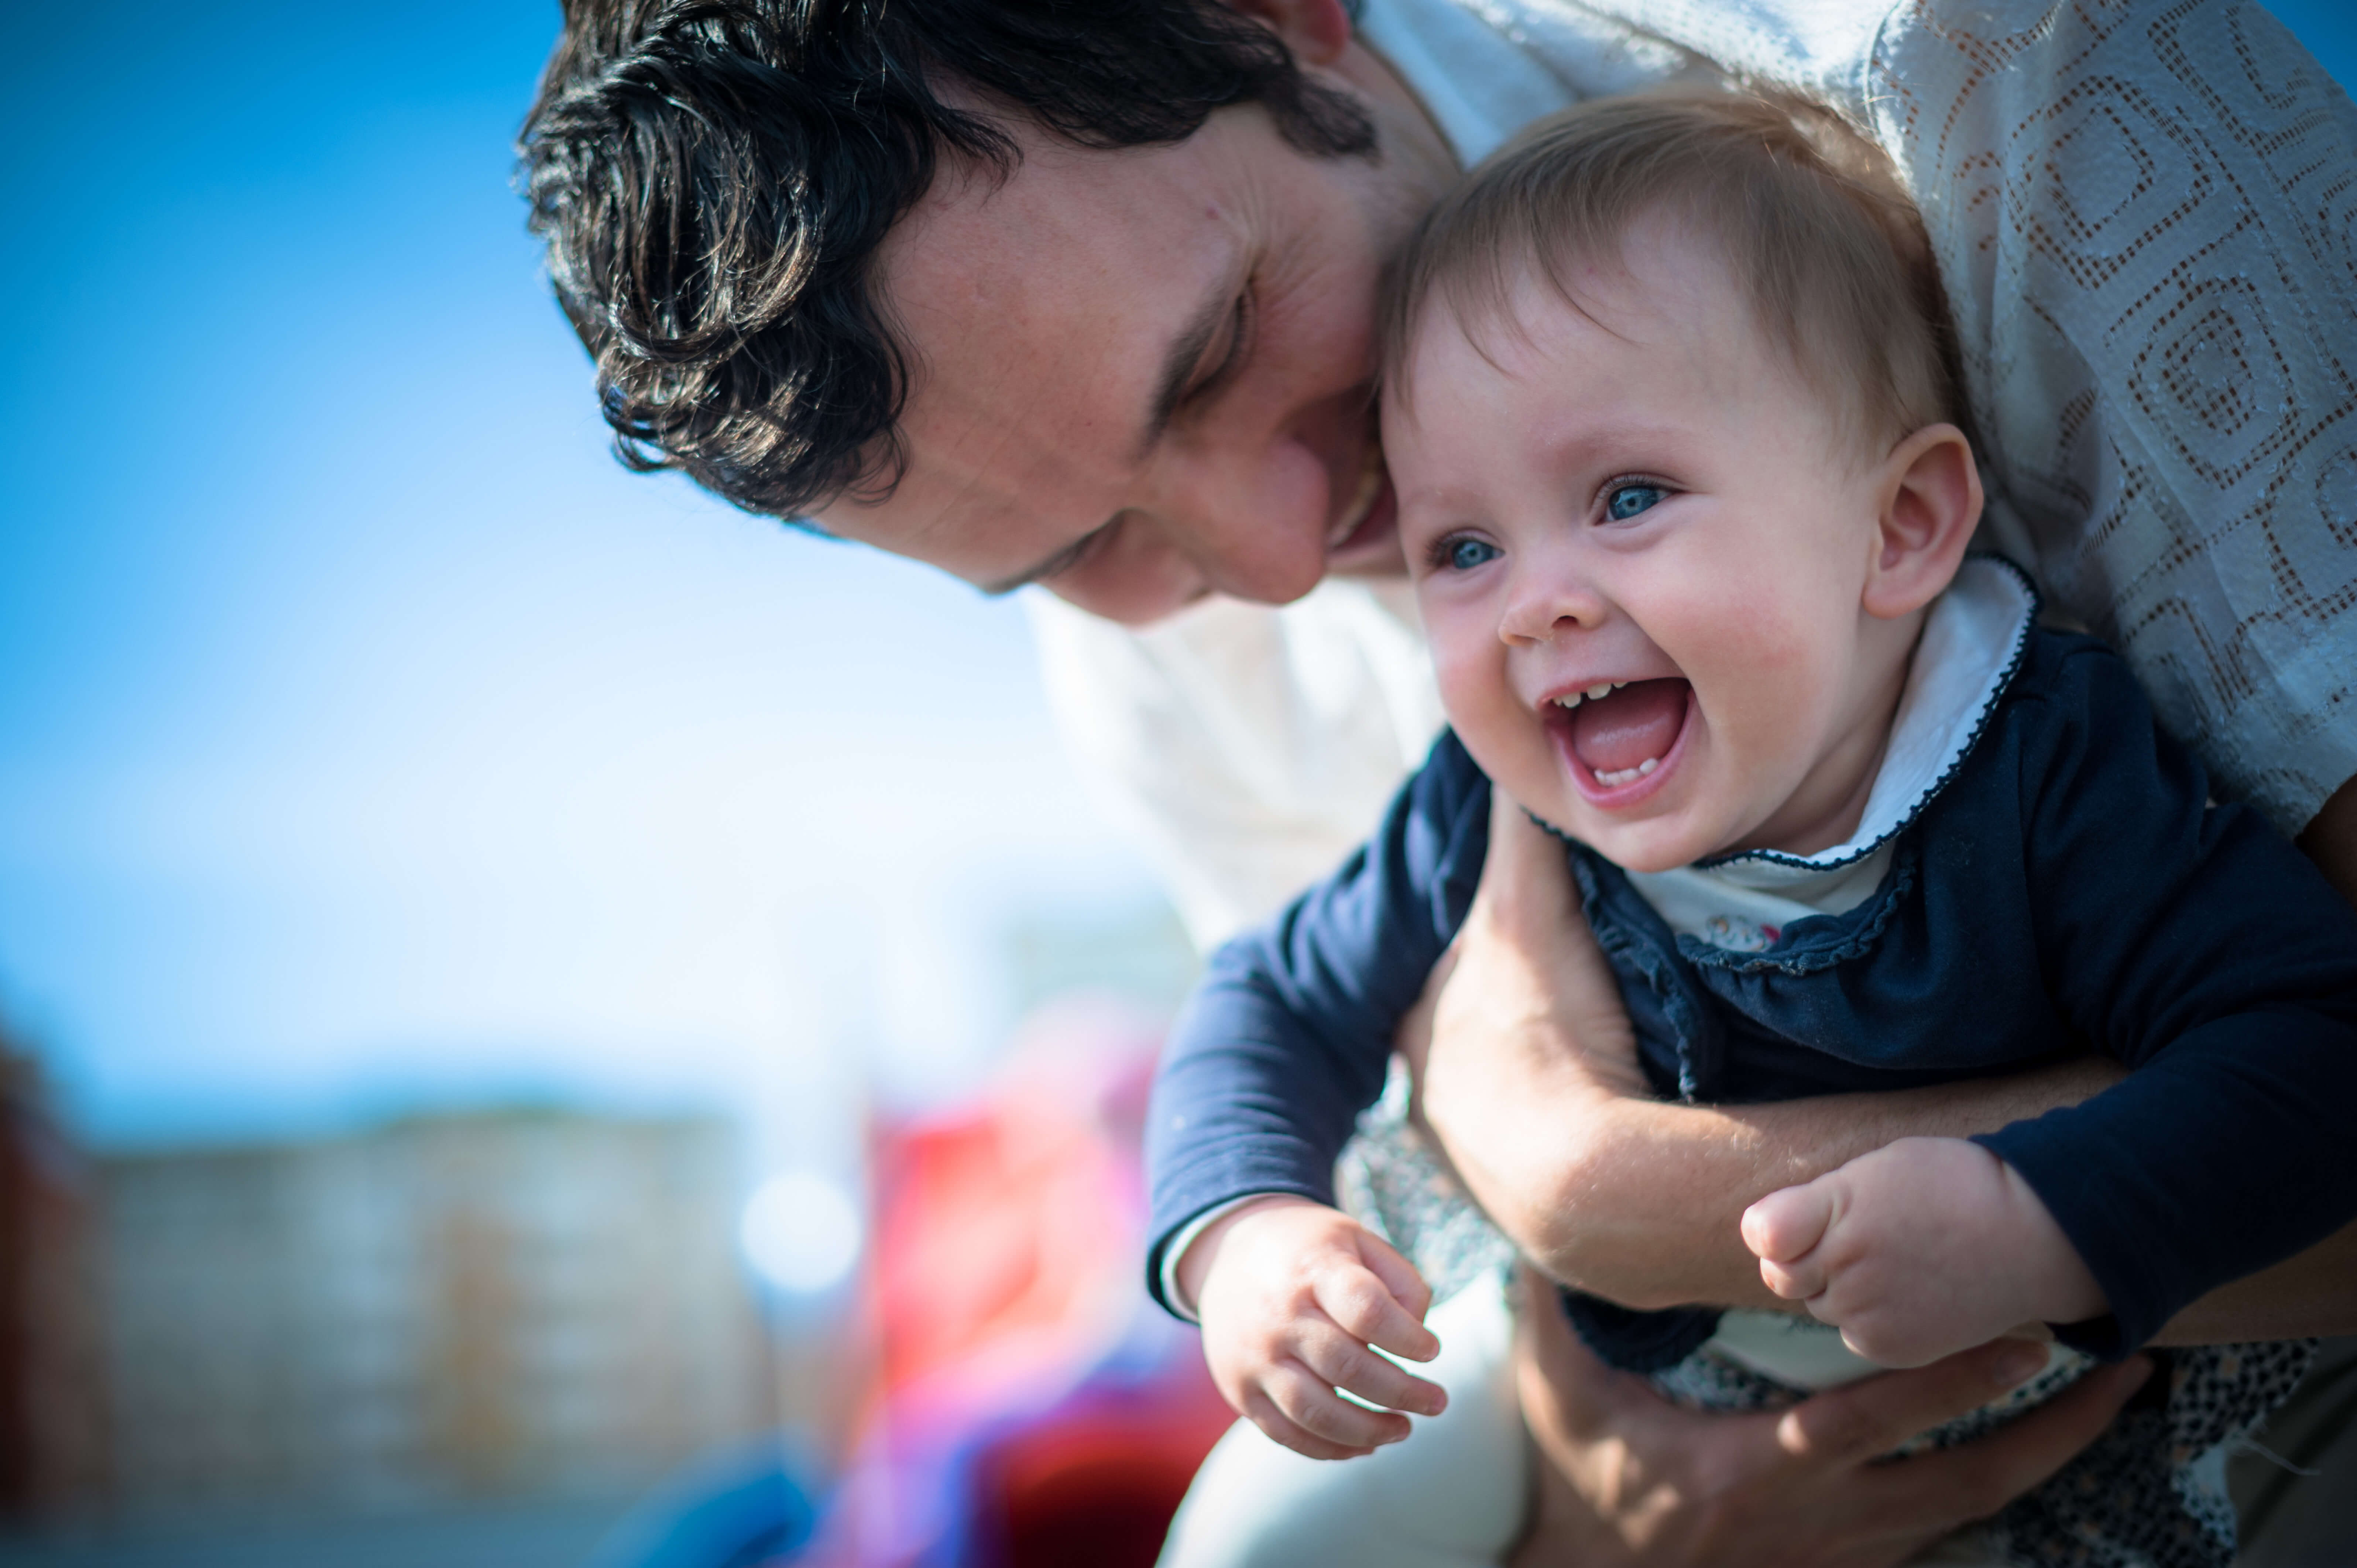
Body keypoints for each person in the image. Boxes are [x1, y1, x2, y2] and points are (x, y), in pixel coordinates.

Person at [515, 0, 2357, 1560]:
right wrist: (1564, 1474)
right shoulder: (1157, 678)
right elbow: (1333, 1102)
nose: (1276, 553)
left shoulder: (2010, 87)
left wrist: (1596, 1185)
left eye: (1221, 349)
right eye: (1079, 552)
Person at [1142, 89, 2357, 1568]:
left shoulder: (2033, 766)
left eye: (1629, 496)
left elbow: (2309, 1040)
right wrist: (1245, 1236)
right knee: (1254, 1544)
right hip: (1571, 1384)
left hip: (2062, 1419)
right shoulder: (1493, 795)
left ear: (1899, 528)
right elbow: (1271, 993)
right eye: (1463, 546)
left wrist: (2041, 1216)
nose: (1539, 600)